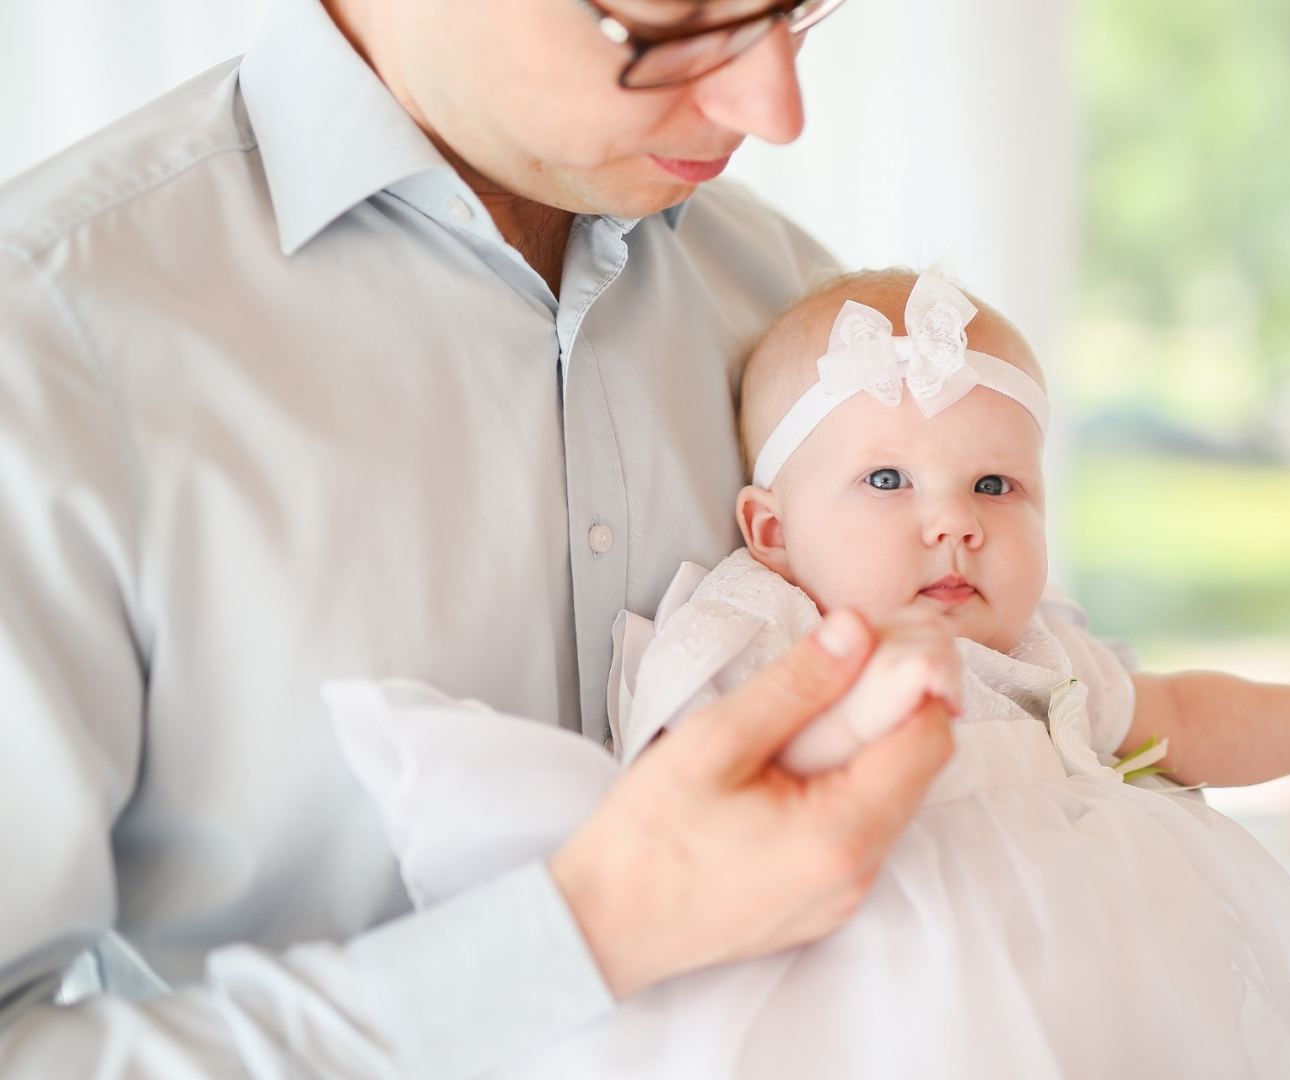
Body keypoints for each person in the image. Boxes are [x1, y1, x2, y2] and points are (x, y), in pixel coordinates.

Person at [0, 1, 964, 1077]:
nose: (775, 108)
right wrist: (585, 936)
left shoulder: (807, 316)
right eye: (675, 22)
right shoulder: (43, 340)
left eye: (796, 8)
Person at [320, 271, 1290, 1079]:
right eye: (887, 483)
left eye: (994, 488)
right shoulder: (757, 630)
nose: (952, 526)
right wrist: (867, 711)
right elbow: (691, 794)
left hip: (1108, 1013)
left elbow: (1186, 717)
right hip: (884, 1024)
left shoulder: (1041, 651)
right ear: (771, 528)